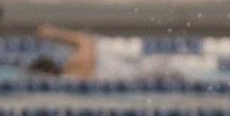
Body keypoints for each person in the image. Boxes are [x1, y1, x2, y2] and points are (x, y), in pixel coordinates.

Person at [28, 24, 180, 81]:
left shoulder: (74, 68)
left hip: (146, 72)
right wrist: (54, 34)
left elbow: (87, 41)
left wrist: (53, 33)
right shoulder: (73, 72)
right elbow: (84, 41)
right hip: (141, 73)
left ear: (48, 75)